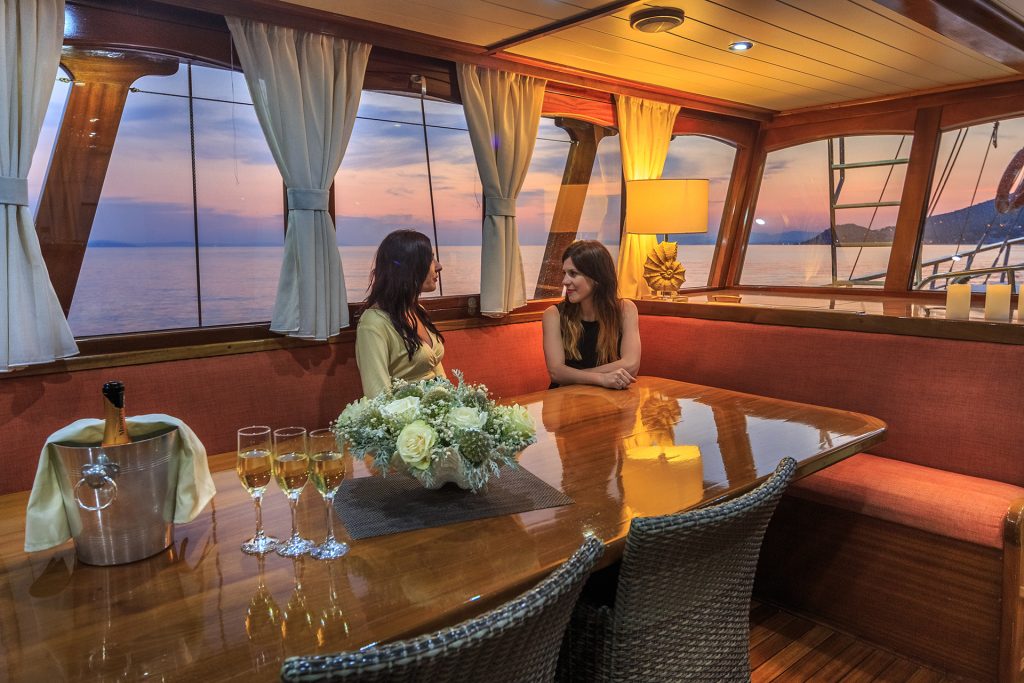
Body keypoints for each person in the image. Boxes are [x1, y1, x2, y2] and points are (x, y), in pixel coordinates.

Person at [356, 230, 446, 397]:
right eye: (430, 259)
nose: (439, 266)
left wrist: (455, 405)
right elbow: (378, 396)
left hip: (437, 411)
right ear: (409, 268)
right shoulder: (373, 323)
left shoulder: (418, 311)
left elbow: (437, 373)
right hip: (404, 418)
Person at [542, 240, 641, 389]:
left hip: (611, 397)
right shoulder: (553, 315)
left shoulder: (626, 309)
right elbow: (556, 373)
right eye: (564, 273)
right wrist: (602, 379)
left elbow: (631, 364)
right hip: (565, 399)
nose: (564, 281)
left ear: (596, 278)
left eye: (573, 274)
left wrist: (574, 376)